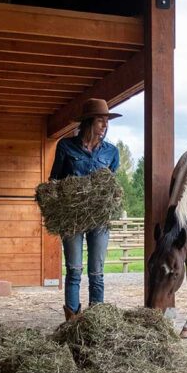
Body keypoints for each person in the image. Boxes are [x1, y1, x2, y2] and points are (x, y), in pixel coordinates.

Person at [50, 98, 121, 321]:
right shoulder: (66, 146)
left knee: (97, 273)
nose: (105, 125)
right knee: (74, 270)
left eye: (107, 121)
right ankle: (72, 319)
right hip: (72, 219)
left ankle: (96, 320)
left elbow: (111, 186)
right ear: (89, 122)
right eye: (101, 121)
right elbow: (54, 181)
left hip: (99, 220)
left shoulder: (111, 152)